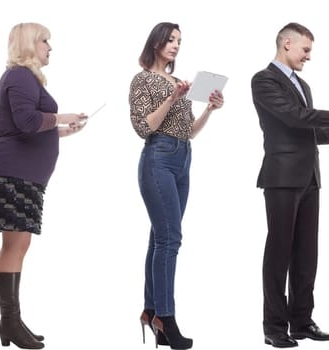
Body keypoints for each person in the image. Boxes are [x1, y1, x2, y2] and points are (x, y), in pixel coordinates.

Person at [252, 22, 329, 348]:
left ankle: (301, 322)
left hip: (310, 177)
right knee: (279, 253)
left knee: (306, 254)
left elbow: (306, 130)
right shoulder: (263, 80)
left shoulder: (302, 84)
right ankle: (274, 328)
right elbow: (293, 117)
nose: (308, 57)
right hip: (282, 178)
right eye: (306, 50)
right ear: (287, 43)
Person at [0, 22, 87, 349]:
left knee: (18, 245)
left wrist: (63, 131)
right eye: (44, 41)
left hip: (22, 175)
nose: (49, 48)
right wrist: (61, 116)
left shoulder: (23, 78)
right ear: (29, 44)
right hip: (13, 174)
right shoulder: (20, 76)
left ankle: (12, 321)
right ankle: (9, 322)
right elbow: (26, 123)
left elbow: (29, 125)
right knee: (15, 246)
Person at [128, 22, 224, 350]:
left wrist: (209, 109)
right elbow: (143, 127)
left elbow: (189, 130)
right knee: (170, 239)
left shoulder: (177, 81)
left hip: (183, 157)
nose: (175, 45)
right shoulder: (143, 79)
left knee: (160, 238)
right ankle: (166, 320)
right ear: (155, 42)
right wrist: (171, 99)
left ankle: (152, 309)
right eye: (170, 39)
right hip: (158, 158)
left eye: (179, 41)